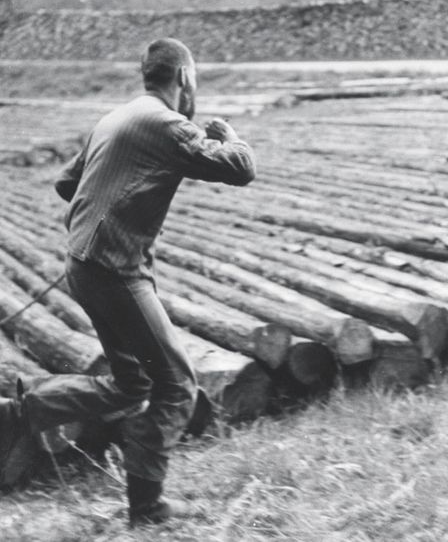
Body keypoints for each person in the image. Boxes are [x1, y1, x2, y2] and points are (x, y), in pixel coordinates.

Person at [0, 38, 256, 526]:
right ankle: (148, 504)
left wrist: (103, 209)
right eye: (193, 77)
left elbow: (64, 183)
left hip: (90, 264)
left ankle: (17, 413)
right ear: (183, 76)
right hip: (115, 269)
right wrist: (229, 135)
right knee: (177, 383)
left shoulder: (116, 117)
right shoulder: (164, 123)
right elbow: (241, 168)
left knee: (128, 383)